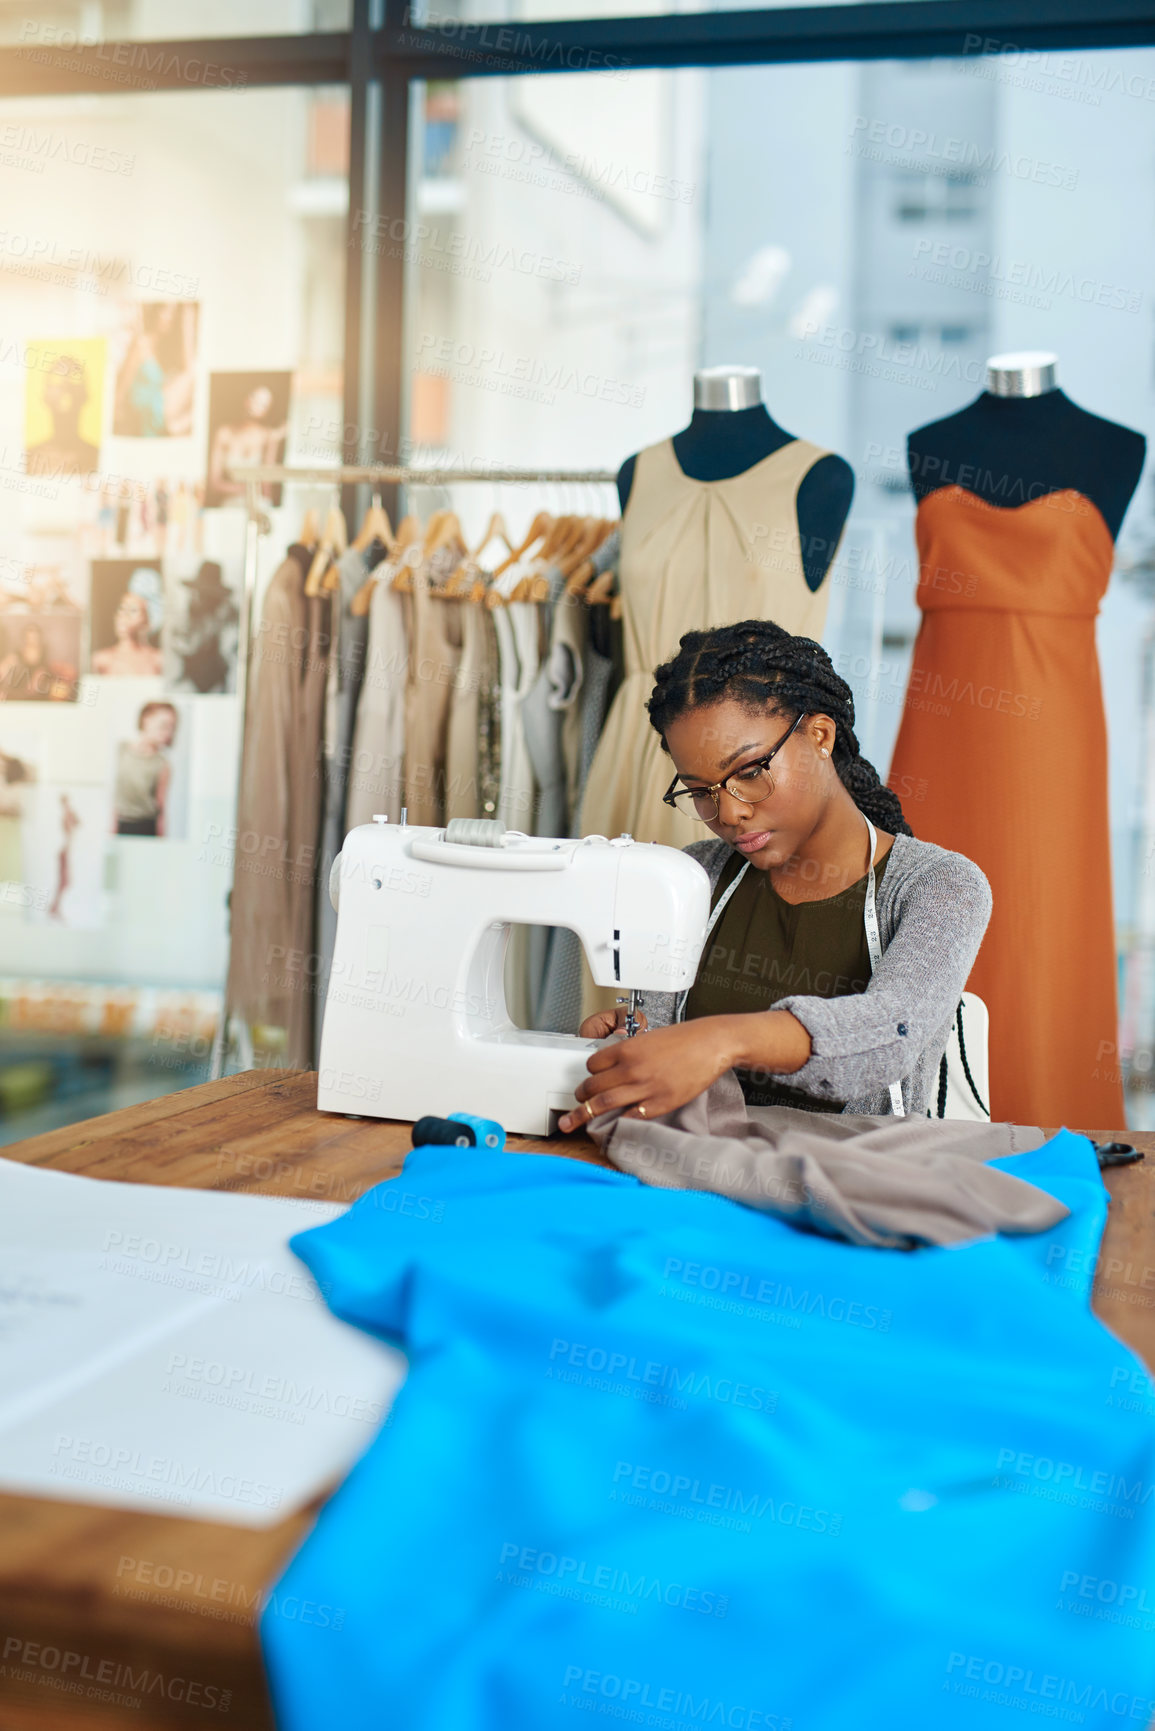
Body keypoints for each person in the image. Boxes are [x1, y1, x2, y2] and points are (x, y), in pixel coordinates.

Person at [558, 619, 992, 1130]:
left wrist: (720, 1041)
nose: (729, 813)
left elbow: (889, 1034)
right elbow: (659, 1031)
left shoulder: (939, 885)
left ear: (820, 735)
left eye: (748, 772)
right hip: (698, 1163)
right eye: (700, 791)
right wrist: (632, 1041)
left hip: (850, 1171)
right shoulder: (695, 876)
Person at [208, 382, 288, 505]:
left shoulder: (268, 437)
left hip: (258, 503)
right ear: (246, 398)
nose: (256, 406)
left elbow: (266, 487)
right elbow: (214, 483)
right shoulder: (224, 433)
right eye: (255, 399)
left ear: (267, 410)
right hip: (230, 505)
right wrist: (247, 489)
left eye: (263, 405)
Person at [114, 701, 177, 837]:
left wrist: (161, 842)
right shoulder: (121, 749)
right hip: (121, 825)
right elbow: (114, 795)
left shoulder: (162, 764)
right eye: (164, 725)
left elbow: (161, 809)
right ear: (146, 720)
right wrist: (111, 830)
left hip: (146, 828)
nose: (167, 732)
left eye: (171, 728)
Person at [92, 572, 163, 677]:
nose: (123, 615)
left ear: (147, 619)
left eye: (133, 610)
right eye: (121, 609)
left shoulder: (158, 660)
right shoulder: (102, 660)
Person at [0, 621, 77, 701]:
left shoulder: (46, 657)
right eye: (29, 642)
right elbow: (3, 669)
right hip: (20, 695)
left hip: (41, 695)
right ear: (24, 640)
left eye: (35, 640)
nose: (32, 641)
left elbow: (61, 671)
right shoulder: (15, 656)